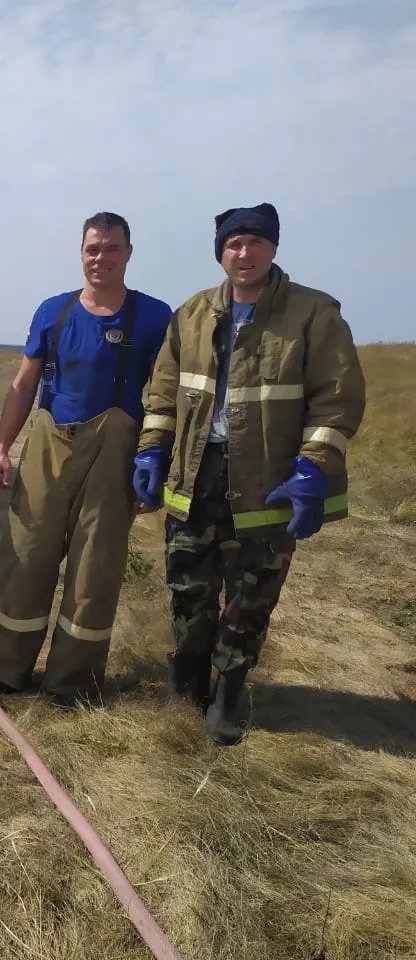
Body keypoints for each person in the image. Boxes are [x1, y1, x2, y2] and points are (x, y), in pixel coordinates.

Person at [133, 202, 366, 745]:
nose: (244, 253)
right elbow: (163, 394)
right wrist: (150, 450)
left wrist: (313, 469)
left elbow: (338, 401)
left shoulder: (313, 315)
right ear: (220, 252)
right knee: (188, 583)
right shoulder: (189, 315)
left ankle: (229, 692)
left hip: (269, 480)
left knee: (251, 592)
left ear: (274, 247)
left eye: (255, 242)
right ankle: (186, 682)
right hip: (197, 474)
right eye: (233, 244)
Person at [0, 212, 174, 708]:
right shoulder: (54, 311)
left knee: (95, 567)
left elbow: (166, 398)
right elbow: (24, 384)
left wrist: (155, 465)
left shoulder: (155, 317)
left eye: (112, 248)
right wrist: (3, 447)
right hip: (50, 446)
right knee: (26, 556)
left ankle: (72, 681)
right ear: (80, 252)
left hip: (116, 453)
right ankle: (9, 670)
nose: (101, 258)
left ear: (129, 253)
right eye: (92, 248)